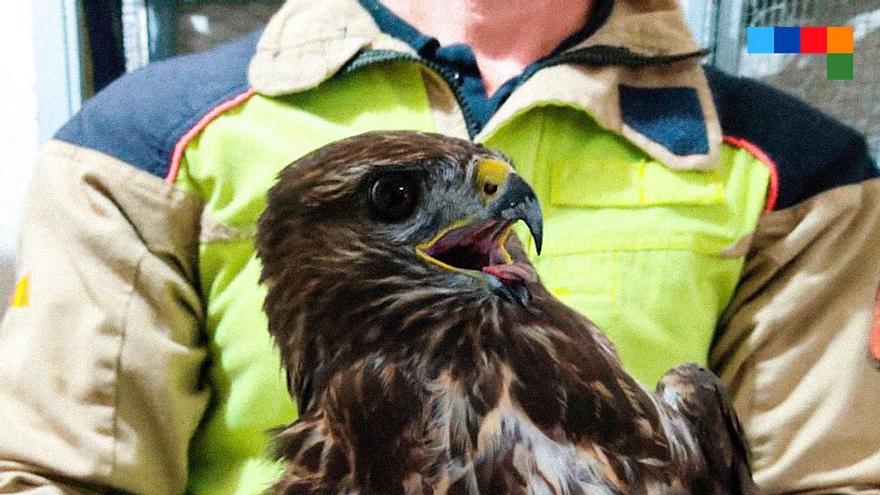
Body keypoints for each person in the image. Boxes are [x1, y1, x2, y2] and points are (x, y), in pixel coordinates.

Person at [1, 0, 878, 493]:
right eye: (393, 203)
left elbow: (833, 482)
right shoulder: (141, 137)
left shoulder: (796, 163)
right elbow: (55, 474)